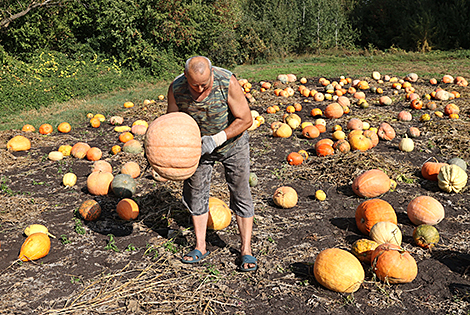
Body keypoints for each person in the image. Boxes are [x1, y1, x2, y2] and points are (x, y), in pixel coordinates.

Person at [166, 56, 257, 272]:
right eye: (194, 85)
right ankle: (200, 246)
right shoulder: (177, 89)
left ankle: (246, 250)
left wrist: (216, 140)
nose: (198, 89)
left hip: (232, 145)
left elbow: (246, 119)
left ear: (212, 74)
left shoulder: (227, 82)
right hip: (197, 148)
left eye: (204, 85)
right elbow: (172, 122)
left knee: (241, 192)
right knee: (195, 193)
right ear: (185, 75)